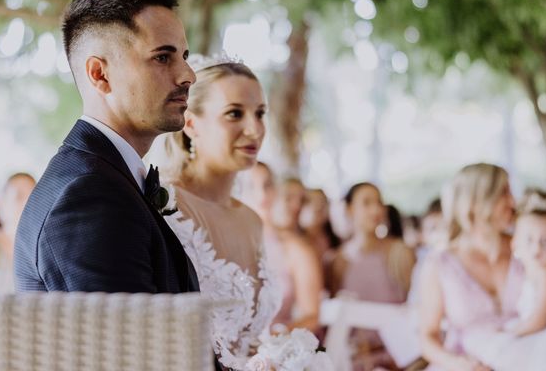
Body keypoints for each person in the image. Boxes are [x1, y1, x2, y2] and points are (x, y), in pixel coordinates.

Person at [14, 0, 199, 294]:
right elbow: (128, 340)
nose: (188, 75)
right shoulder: (88, 197)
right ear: (99, 74)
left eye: (184, 56)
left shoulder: (102, 176)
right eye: (163, 58)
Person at [163, 60, 280, 369]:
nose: (254, 129)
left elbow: (250, 339)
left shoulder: (252, 221)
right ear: (191, 124)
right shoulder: (167, 207)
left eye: (260, 113)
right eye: (234, 113)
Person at [419, 163, 523, 371]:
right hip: (464, 364)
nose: (512, 202)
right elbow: (427, 337)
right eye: (503, 193)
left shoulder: (528, 248)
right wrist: (460, 365)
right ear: (475, 202)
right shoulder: (440, 263)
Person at [327, 182, 415, 371]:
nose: (375, 209)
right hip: (354, 359)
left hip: (398, 356)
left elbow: (415, 306)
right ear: (350, 209)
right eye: (366, 203)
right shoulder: (338, 260)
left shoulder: (399, 252)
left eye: (379, 203)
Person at [462, 205, 546, 370]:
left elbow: (539, 319)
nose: (537, 249)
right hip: (530, 327)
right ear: (515, 244)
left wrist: (511, 333)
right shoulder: (529, 270)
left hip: (541, 332)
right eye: (529, 240)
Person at [268, 178, 323, 335]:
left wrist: (275, 336)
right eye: (288, 197)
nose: (296, 205)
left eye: (302, 201)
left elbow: (312, 316)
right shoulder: (253, 239)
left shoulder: (302, 251)